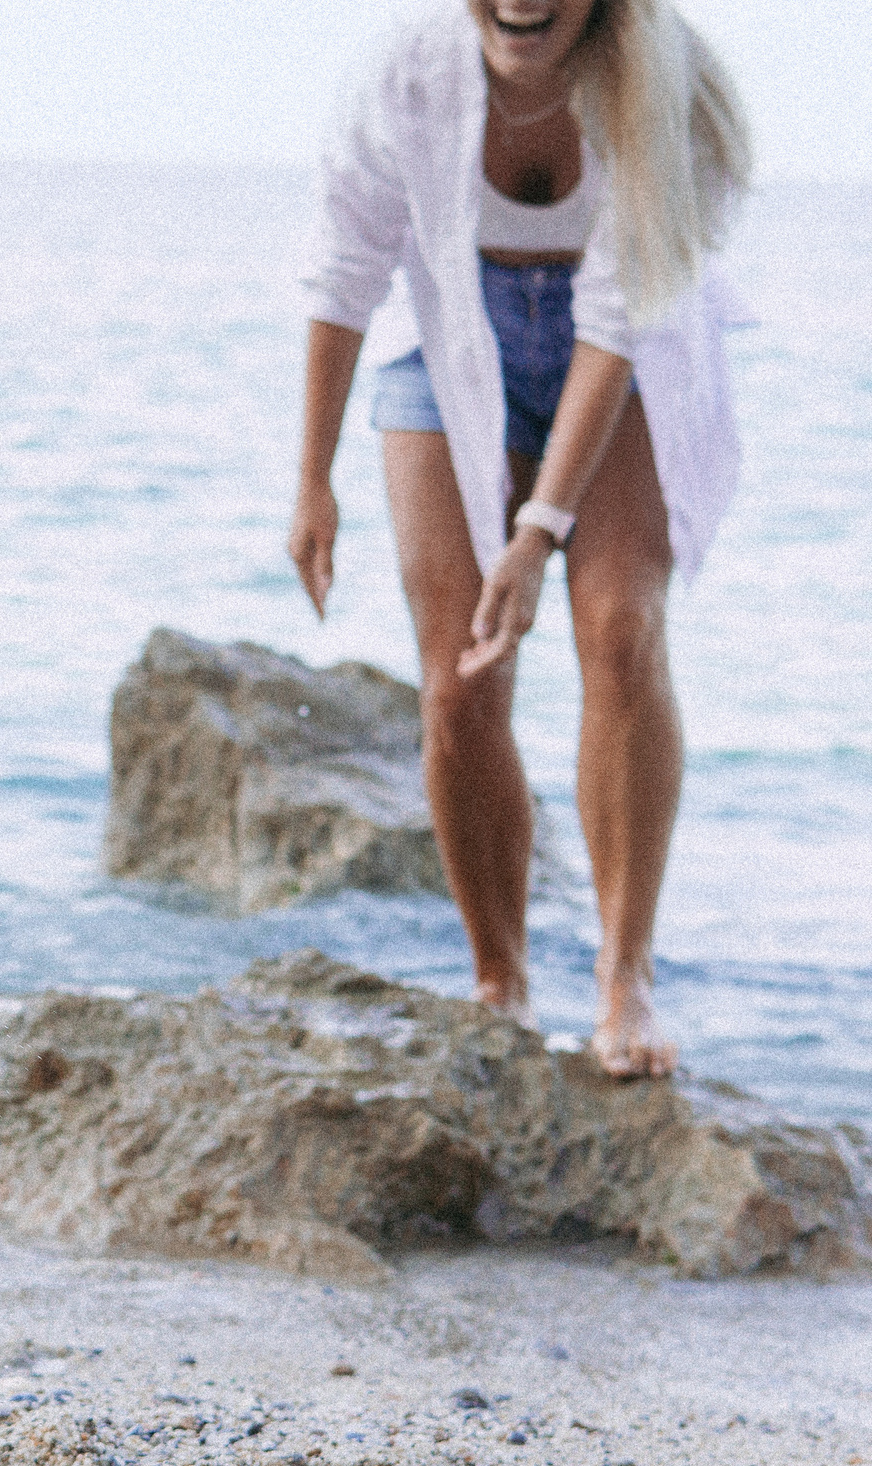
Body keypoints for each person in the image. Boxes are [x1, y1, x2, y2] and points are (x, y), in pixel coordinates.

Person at [288, 0, 750, 1076]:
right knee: (459, 676)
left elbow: (619, 318)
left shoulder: (661, 83)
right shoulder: (407, 73)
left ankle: (624, 980)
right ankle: (498, 982)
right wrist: (312, 479)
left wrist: (539, 530)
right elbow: (345, 271)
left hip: (625, 360)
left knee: (619, 631)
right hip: (450, 339)